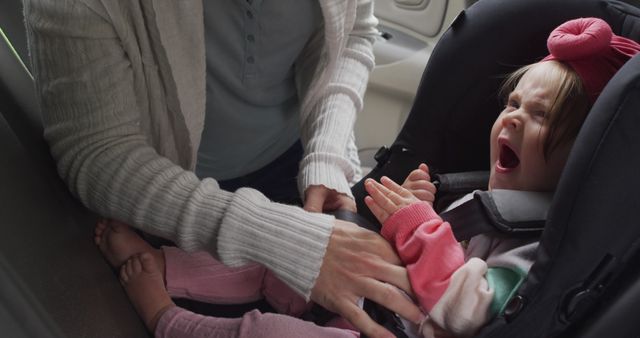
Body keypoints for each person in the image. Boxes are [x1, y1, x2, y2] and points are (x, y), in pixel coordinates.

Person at [23, 1, 421, 337]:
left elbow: (352, 35)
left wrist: (324, 155)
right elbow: (97, 151)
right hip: (166, 196)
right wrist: (285, 240)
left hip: (300, 172)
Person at [363, 17, 640, 337]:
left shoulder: (536, 247)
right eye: (514, 103)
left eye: (541, 115)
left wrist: (420, 230)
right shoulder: (486, 203)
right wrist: (416, 210)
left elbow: (468, 312)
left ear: (582, 157)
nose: (514, 119)